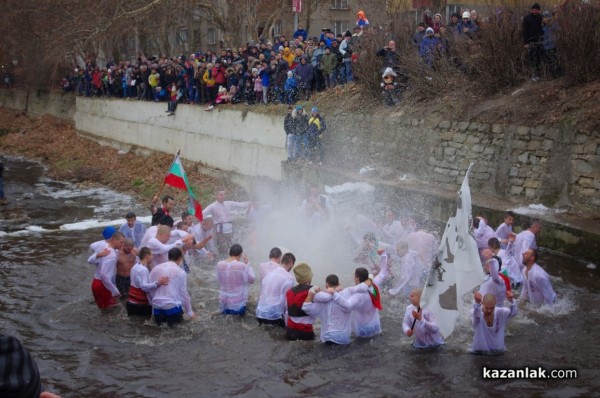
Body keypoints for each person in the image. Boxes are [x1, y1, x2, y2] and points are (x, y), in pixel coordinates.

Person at [149, 248, 196, 326]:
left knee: (159, 332)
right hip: (172, 307)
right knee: (176, 333)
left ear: (168, 257)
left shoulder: (155, 269)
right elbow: (184, 293)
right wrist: (190, 312)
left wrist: (153, 303)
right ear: (180, 258)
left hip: (156, 307)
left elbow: (150, 289)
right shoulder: (181, 272)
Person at [202, 189, 250, 256]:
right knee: (222, 247)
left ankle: (233, 257)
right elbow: (203, 213)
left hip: (229, 228)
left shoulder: (228, 203)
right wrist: (201, 220)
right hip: (220, 229)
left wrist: (250, 203)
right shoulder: (212, 206)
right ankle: (222, 259)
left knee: (231, 244)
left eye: (224, 194)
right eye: (221, 195)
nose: (223, 196)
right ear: (217, 196)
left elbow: (240, 205)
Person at [470, 290, 517, 355]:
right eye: (487, 308)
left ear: (495, 305)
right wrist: (477, 303)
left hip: (498, 351)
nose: (489, 310)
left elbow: (513, 313)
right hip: (478, 351)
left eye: (492, 308)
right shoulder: (476, 311)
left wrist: (511, 301)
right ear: (482, 304)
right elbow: (475, 319)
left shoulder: (501, 312)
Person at [256, 251, 296, 327]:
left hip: (259, 313)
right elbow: (286, 302)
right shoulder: (289, 278)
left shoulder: (269, 274)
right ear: (291, 263)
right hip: (273, 316)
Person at [126, 247, 169, 317]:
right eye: (151, 255)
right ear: (147, 256)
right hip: (140, 304)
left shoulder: (135, 266)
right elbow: (144, 286)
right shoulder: (143, 270)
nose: (152, 257)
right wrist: (158, 283)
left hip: (130, 302)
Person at [88, 231, 125, 309]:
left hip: (96, 282)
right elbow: (104, 275)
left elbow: (89, 259)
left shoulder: (104, 247)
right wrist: (114, 290)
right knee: (110, 310)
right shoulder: (111, 255)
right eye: (121, 242)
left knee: (104, 309)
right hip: (103, 285)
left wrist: (97, 255)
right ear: (114, 240)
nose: (123, 245)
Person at [216, 244, 255, 315]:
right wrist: (247, 264)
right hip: (237, 304)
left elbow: (218, 279)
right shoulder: (241, 265)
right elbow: (252, 279)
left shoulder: (219, 264)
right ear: (239, 255)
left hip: (224, 302)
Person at [286, 261, 316, 341]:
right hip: (305, 332)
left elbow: (287, 312)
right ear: (309, 277)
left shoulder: (289, 292)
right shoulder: (312, 291)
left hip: (290, 331)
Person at [523, 3, 544, 82]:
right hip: (531, 42)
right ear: (531, 10)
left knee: (539, 58)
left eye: (536, 10)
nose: (534, 11)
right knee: (532, 58)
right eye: (533, 10)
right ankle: (533, 75)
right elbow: (525, 31)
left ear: (539, 10)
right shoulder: (527, 18)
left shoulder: (541, 17)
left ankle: (539, 75)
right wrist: (525, 43)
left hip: (540, 41)